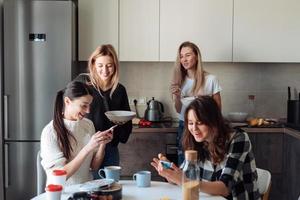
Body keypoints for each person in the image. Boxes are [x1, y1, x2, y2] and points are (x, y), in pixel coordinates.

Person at [151, 96, 260, 200]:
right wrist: (170, 171)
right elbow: (184, 177)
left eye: (199, 123)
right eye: (190, 123)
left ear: (213, 121)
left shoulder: (238, 138)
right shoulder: (197, 141)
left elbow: (225, 188)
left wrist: (184, 181)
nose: (194, 129)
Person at [40, 81, 113, 185]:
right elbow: (59, 177)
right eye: (84, 106)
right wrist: (88, 147)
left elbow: (94, 166)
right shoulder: (50, 132)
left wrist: (102, 144)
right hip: (62, 193)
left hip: (87, 190)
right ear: (67, 101)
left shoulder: (88, 125)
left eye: (89, 106)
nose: (88, 111)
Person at [76, 44, 132, 178]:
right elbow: (70, 111)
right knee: (88, 188)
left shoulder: (119, 90)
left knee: (110, 189)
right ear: (94, 64)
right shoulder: (83, 83)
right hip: (85, 147)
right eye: (100, 65)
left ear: (115, 66)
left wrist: (116, 132)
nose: (105, 70)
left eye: (109, 65)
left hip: (110, 148)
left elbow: (126, 121)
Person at [170, 41, 222, 165]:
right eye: (181, 56)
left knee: (206, 164)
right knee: (185, 163)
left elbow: (218, 110)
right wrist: (177, 97)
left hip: (205, 127)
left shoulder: (211, 79)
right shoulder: (178, 81)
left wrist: (203, 102)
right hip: (185, 126)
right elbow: (178, 110)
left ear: (197, 56)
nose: (184, 59)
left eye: (187, 55)